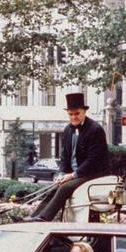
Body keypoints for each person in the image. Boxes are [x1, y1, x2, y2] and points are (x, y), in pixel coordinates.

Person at [26, 92, 110, 221]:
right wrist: (61, 173)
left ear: (84, 112)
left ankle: (44, 218)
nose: (74, 117)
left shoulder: (95, 129)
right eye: (71, 114)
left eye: (77, 114)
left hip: (94, 173)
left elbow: (93, 160)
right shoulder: (67, 130)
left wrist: (72, 175)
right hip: (75, 174)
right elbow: (64, 155)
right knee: (56, 186)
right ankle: (33, 218)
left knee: (65, 187)